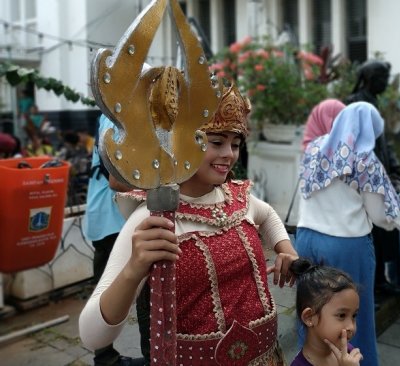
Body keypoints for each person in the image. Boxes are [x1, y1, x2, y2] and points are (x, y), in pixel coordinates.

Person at [79, 84, 299, 365]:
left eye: (235, 143)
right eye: (216, 142)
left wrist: (286, 249)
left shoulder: (238, 197)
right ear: (180, 141)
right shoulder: (154, 217)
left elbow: (268, 215)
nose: (229, 154)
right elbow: (91, 336)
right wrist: (134, 270)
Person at [296, 102, 400, 366]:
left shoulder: (315, 147)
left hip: (306, 238)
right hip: (346, 245)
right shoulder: (364, 158)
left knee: (312, 315)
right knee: (352, 318)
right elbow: (380, 215)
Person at [81, 115, 144, 366]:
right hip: (111, 218)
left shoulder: (119, 113)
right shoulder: (116, 117)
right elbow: (117, 179)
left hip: (112, 216)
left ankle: (107, 357)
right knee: (116, 290)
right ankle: (109, 357)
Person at [343, 60, 400, 298]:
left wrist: (394, 165)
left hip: (379, 174)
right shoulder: (353, 103)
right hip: (363, 179)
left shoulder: (374, 101)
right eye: (382, 80)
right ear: (369, 79)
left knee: (382, 233)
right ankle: (370, 285)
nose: (386, 84)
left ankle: (380, 281)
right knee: (370, 234)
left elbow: (382, 140)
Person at [290, 258, 363, 366]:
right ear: (309, 317)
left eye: (354, 315)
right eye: (342, 315)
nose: (351, 327)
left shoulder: (347, 352)